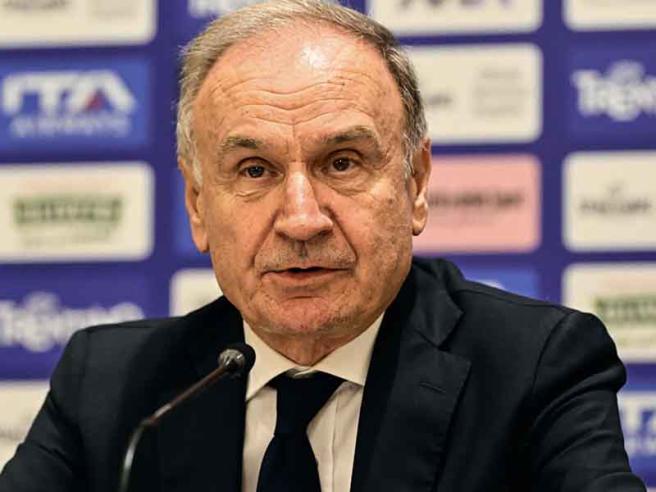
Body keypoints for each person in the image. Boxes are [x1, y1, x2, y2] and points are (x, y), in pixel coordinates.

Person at [0, 1, 646, 491]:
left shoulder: (534, 367)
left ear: (415, 183)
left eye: (342, 163)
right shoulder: (113, 387)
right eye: (255, 170)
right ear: (197, 205)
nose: (302, 219)